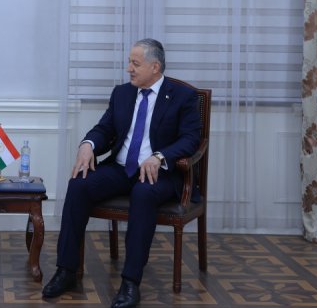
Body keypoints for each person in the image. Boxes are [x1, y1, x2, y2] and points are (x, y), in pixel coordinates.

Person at [42, 38, 200, 308]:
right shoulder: (122, 93)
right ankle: (66, 270)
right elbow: (104, 129)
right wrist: (88, 145)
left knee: (143, 194)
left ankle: (130, 282)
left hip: (158, 174)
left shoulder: (182, 96)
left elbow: (191, 139)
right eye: (129, 62)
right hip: (120, 168)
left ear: (155, 67)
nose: (129, 69)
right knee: (79, 184)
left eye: (135, 63)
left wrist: (160, 156)